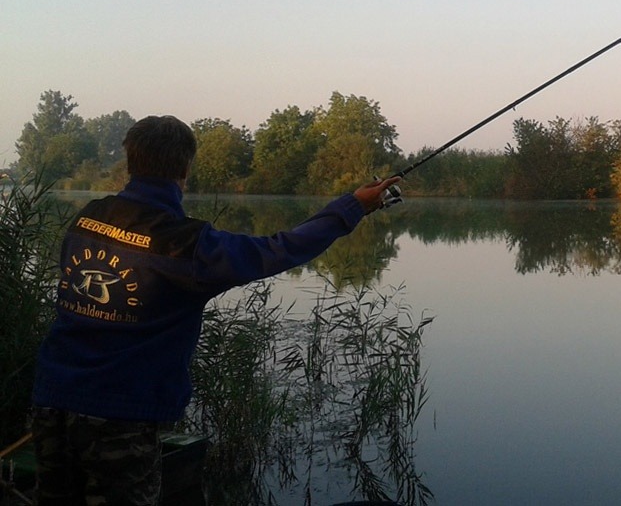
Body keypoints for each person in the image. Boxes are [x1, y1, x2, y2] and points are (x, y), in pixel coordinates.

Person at [30, 115, 400, 505]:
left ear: (130, 161)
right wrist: (352, 208)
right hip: (121, 414)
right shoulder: (187, 245)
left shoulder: (88, 216)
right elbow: (280, 249)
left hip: (51, 400)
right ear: (186, 167)